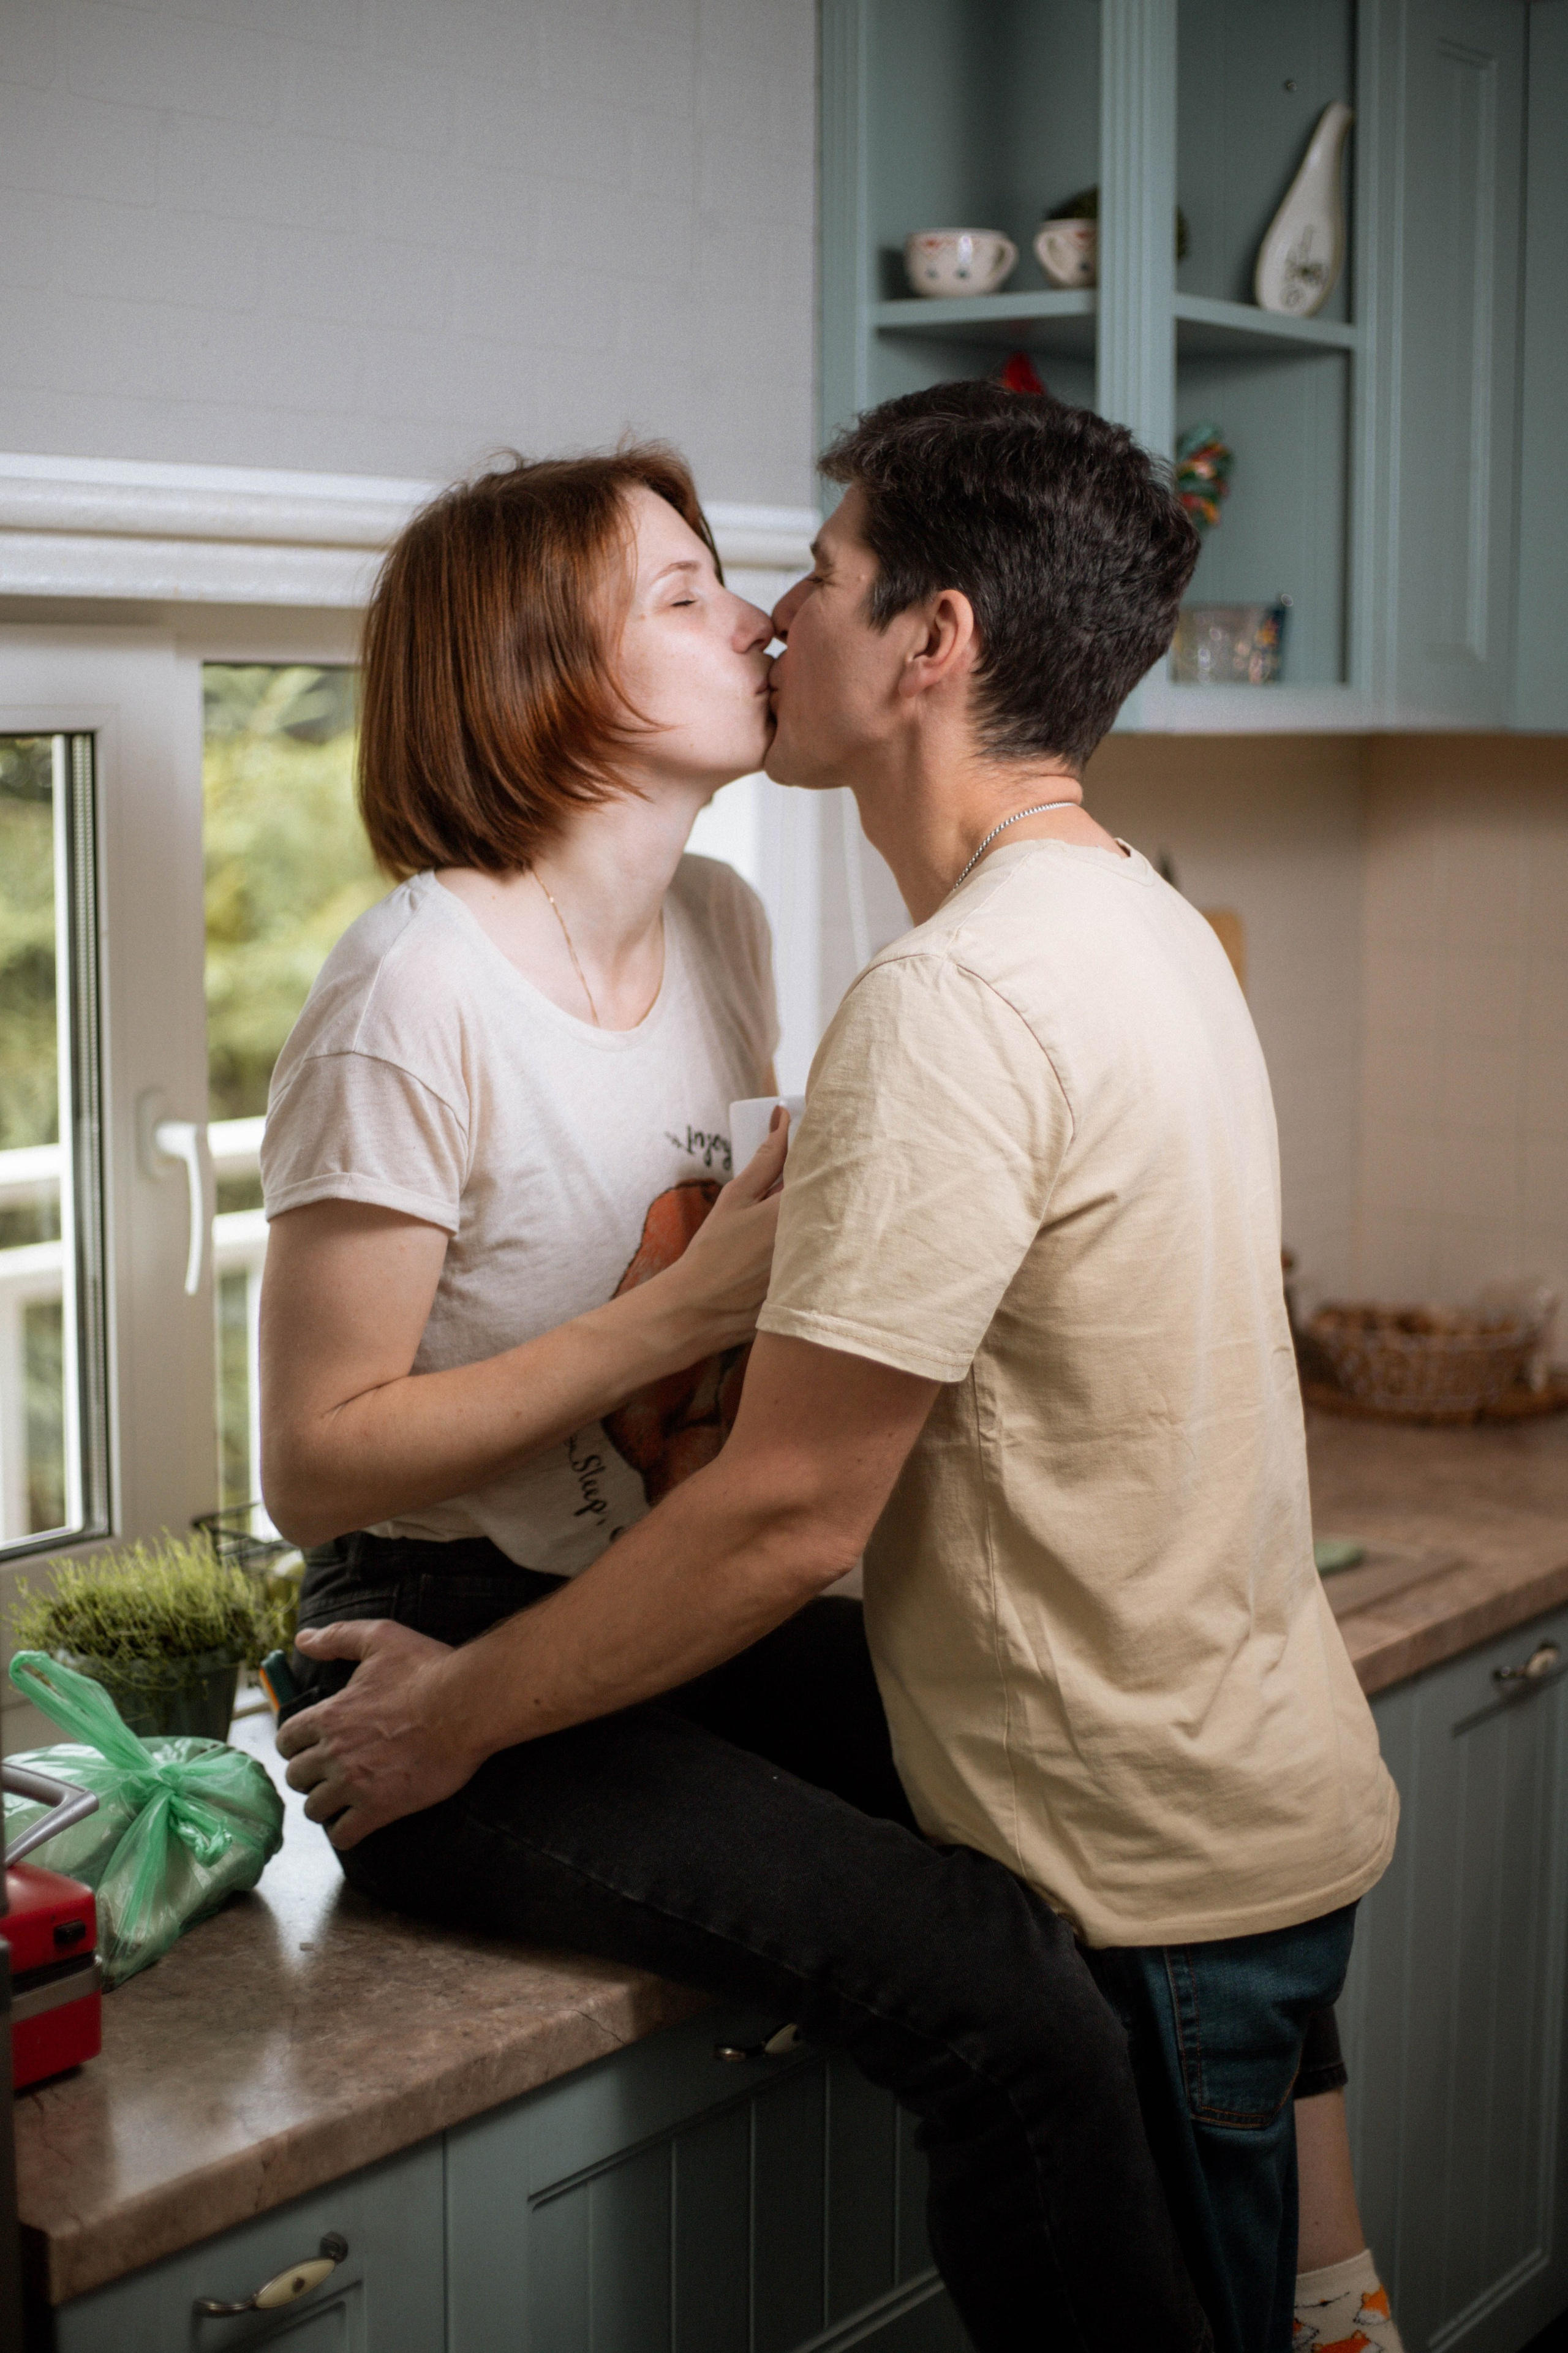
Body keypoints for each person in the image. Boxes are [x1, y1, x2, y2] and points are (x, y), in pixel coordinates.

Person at [260, 442, 1212, 2351]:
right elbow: (312, 1462)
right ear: (551, 670)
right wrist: (677, 1314)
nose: (761, 616)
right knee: (1001, 1986)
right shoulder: (411, 994)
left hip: (662, 1603)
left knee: (1084, 1825)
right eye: (686, 594)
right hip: (429, 1654)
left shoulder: (723, 923)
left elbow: (751, 1345)